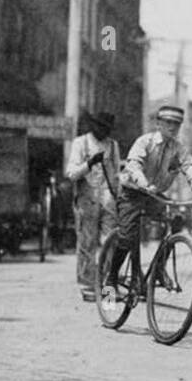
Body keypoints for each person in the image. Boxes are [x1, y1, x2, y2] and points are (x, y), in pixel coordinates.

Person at [105, 105, 192, 293]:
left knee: (176, 220)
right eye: (168, 122)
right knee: (127, 236)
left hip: (155, 195)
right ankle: (111, 277)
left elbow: (189, 166)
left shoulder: (178, 148)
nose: (172, 127)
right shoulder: (145, 142)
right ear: (158, 124)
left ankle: (159, 268)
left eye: (176, 124)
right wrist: (143, 183)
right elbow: (134, 164)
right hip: (132, 192)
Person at [66, 109, 119, 301]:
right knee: (87, 244)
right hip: (87, 199)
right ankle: (87, 288)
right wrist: (89, 164)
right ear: (93, 126)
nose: (104, 132)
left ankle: (108, 289)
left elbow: (115, 177)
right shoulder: (80, 143)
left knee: (110, 243)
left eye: (107, 129)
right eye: (101, 127)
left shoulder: (113, 145)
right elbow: (71, 173)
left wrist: (118, 197)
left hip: (108, 200)